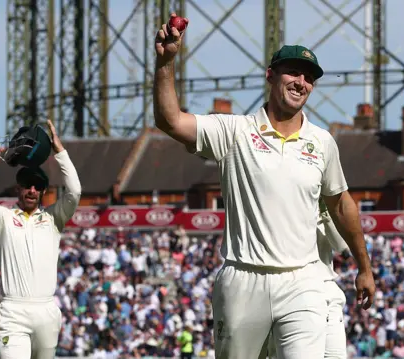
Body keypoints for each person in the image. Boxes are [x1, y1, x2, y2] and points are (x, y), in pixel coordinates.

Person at [153, 13, 374, 359]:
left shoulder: (323, 142)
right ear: (270, 75)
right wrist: (166, 63)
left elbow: (341, 204)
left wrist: (364, 267)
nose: (301, 81)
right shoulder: (234, 131)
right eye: (293, 72)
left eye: (309, 77)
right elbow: (169, 120)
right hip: (243, 282)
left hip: (303, 283)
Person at [0, 120, 82, 359]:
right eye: (26, 185)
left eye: (37, 186)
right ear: (18, 189)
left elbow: (74, 192)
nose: (32, 190)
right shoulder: (2, 218)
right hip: (13, 311)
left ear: (43, 191)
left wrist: (60, 151)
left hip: (46, 310)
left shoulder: (54, 218)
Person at [267, 198, 350, 359]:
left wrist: (325, 213)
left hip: (327, 289)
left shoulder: (324, 207)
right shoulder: (281, 207)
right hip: (293, 290)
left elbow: (343, 248)